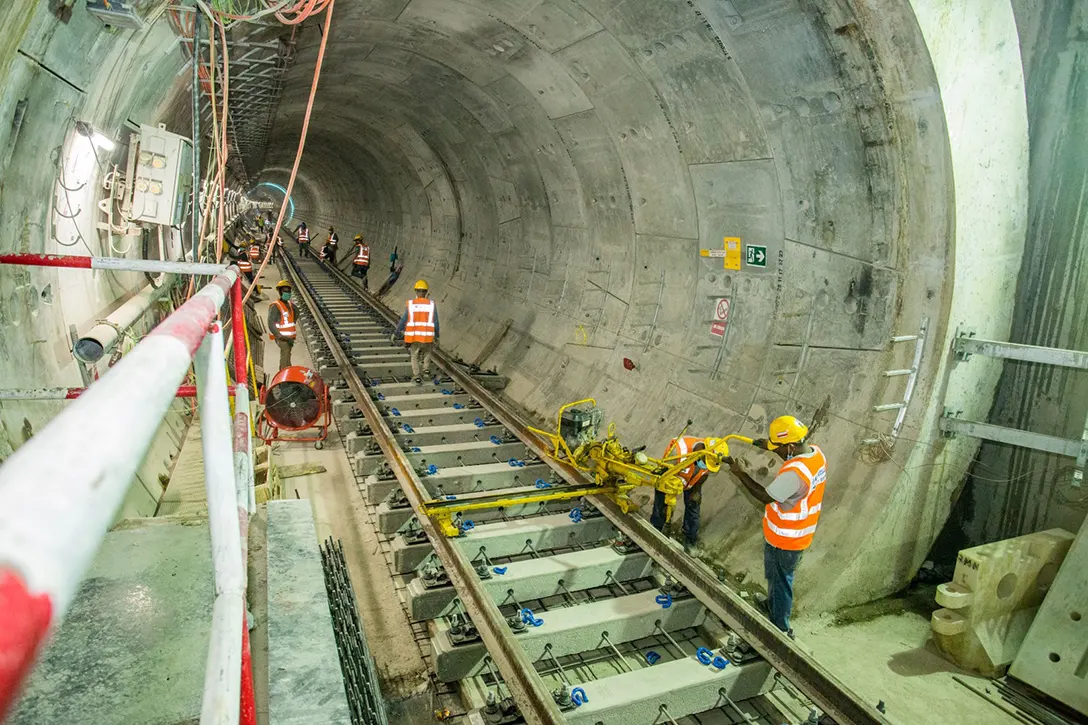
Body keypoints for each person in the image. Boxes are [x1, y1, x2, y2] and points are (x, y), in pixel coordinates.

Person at [727, 416, 826, 637]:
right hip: (788, 533)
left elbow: (764, 496)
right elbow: (791, 454)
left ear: (790, 446)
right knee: (774, 573)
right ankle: (772, 605)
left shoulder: (794, 474)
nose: (778, 453)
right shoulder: (816, 454)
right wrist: (770, 447)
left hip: (787, 538)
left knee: (781, 580)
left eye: (778, 449)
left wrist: (740, 473)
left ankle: (780, 629)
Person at [650, 436, 716, 552]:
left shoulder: (711, 457)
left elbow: (705, 473)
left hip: (692, 481)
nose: (705, 466)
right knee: (662, 505)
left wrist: (696, 489)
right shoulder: (678, 450)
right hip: (670, 478)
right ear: (701, 451)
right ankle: (657, 530)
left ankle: (690, 540)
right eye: (705, 463)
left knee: (694, 507)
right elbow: (664, 475)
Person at [393, 279, 438, 384]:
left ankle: (417, 375)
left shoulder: (411, 304)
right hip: (427, 337)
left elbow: (403, 320)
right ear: (426, 292)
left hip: (415, 337)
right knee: (427, 353)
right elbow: (435, 321)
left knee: (414, 355)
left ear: (416, 291)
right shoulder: (431, 305)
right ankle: (426, 370)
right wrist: (437, 335)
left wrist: (396, 333)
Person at [267, 280, 297, 371]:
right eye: (285, 291)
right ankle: (283, 374)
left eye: (288, 291)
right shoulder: (275, 306)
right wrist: (278, 335)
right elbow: (270, 322)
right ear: (280, 292)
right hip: (281, 337)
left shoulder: (289, 304)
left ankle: (288, 372)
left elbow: (296, 312)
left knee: (287, 355)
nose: (287, 293)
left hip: (290, 337)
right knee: (285, 353)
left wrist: (293, 319)